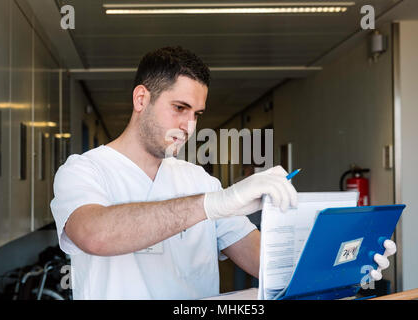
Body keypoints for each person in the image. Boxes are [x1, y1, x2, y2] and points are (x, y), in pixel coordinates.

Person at [50, 46, 392, 300]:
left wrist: (345, 265)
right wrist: (212, 204)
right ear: (141, 98)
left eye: (197, 113)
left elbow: (267, 263)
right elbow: (93, 234)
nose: (189, 125)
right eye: (179, 108)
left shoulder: (198, 180)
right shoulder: (85, 170)